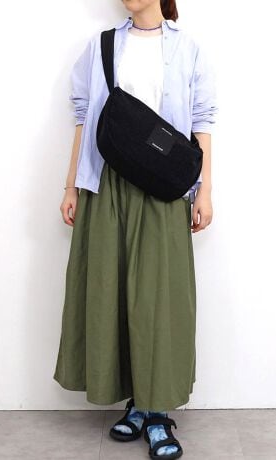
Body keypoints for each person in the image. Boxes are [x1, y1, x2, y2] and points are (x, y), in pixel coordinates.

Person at [53, 0, 218, 458]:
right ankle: (137, 404)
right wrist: (71, 186)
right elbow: (84, 117)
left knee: (157, 299)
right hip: (107, 184)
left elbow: (202, 123)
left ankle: (158, 410)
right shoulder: (102, 46)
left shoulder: (188, 50)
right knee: (111, 292)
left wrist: (203, 191)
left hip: (162, 189)